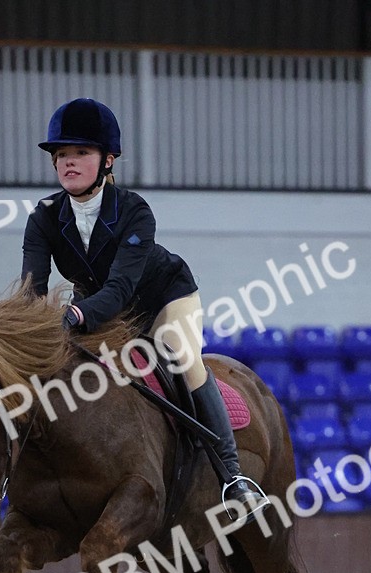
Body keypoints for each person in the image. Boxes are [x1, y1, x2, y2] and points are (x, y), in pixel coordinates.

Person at [20, 96, 269, 521]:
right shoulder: (43, 217)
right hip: (98, 307)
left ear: (108, 160)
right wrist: (30, 331)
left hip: (163, 299)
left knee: (184, 358)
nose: (68, 161)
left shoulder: (134, 211)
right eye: (60, 154)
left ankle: (233, 476)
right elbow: (33, 291)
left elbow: (120, 288)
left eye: (80, 152)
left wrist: (75, 316)